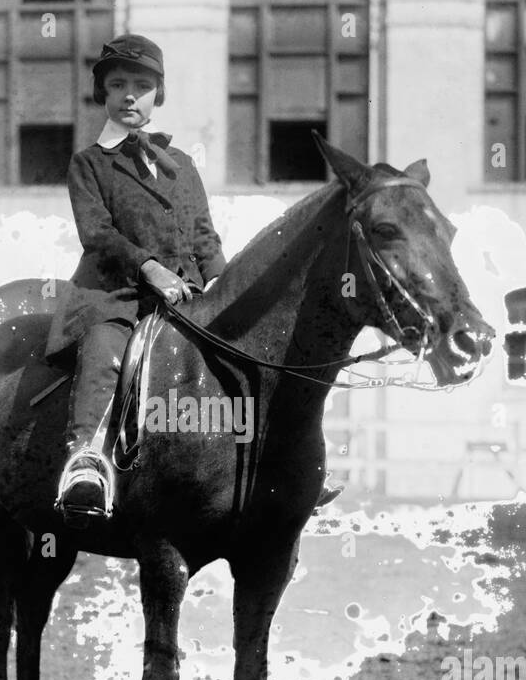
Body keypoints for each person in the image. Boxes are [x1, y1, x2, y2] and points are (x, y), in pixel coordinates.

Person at [46, 32, 342, 526]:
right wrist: (150, 268)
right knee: (104, 353)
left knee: (256, 360)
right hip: (115, 295)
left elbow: (204, 240)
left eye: (140, 86)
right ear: (103, 94)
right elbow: (97, 234)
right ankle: (87, 461)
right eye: (117, 85)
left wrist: (234, 294)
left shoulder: (180, 165)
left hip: (187, 302)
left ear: (157, 95)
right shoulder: (89, 164)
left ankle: (288, 466)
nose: (128, 95)